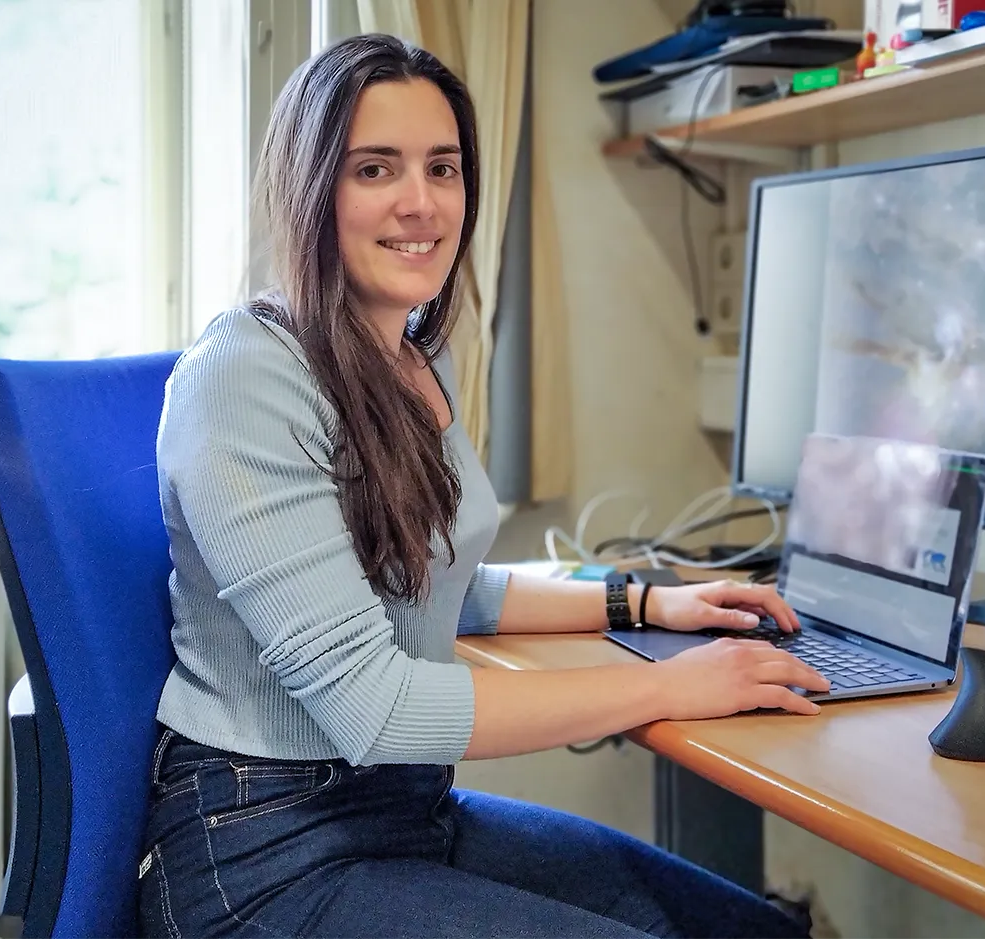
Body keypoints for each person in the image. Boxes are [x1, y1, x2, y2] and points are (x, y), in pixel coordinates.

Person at [138, 32, 830, 939]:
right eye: (375, 169)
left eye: (444, 167)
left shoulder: (414, 357)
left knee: (753, 931)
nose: (421, 204)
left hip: (403, 817)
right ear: (312, 190)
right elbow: (375, 705)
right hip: (261, 849)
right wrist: (669, 687)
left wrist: (649, 604)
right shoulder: (246, 375)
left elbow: (431, 590)